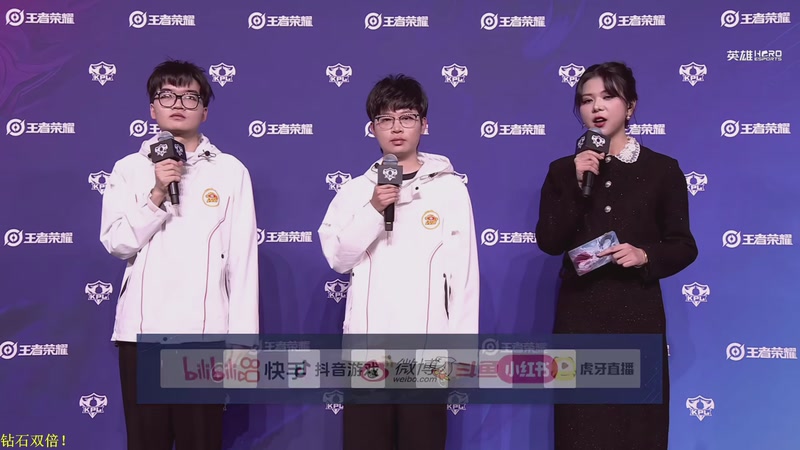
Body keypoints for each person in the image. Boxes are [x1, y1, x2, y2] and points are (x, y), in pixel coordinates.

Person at [535, 61, 698, 449]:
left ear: (630, 105)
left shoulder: (662, 170)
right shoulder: (563, 171)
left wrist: (645, 255)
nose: (596, 107)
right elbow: (550, 241)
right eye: (586, 100)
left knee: (636, 429)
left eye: (608, 97)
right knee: (581, 428)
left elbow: (683, 245)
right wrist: (576, 184)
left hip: (636, 314)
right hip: (580, 316)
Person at [99, 60, 259, 450]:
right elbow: (117, 242)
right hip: (142, 334)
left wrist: (242, 344)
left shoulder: (230, 171)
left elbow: (242, 261)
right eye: (167, 95)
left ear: (205, 110)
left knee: (200, 441)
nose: (178, 104)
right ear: (152, 108)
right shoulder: (129, 169)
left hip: (203, 335)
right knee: (146, 441)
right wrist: (156, 194)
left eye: (190, 97)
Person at [318, 74, 480, 450]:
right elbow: (338, 258)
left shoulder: (450, 190)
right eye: (385, 119)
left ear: (424, 124)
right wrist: (374, 209)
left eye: (406, 117)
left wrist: (461, 354)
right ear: (372, 127)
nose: (396, 128)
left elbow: (464, 275)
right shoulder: (356, 191)